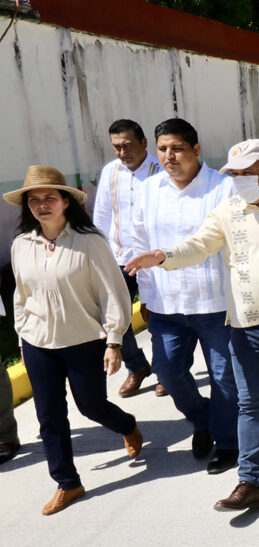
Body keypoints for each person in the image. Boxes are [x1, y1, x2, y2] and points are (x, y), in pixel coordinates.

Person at [128, 139, 259, 511]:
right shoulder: (228, 211)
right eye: (233, 175)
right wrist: (164, 256)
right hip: (247, 325)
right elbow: (199, 245)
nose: (238, 182)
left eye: (246, 174)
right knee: (250, 404)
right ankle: (250, 481)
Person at [4, 165, 142, 515]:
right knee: (49, 417)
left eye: (49, 197)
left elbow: (113, 294)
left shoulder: (90, 242)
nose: (41, 205)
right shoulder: (21, 244)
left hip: (84, 341)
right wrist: (23, 333)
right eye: (34, 200)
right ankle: (68, 482)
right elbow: (21, 295)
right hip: (38, 344)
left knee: (91, 407)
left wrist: (113, 341)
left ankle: (126, 426)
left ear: (66, 201)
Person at [131, 117, 239, 474]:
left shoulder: (224, 188)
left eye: (176, 148)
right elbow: (140, 245)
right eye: (162, 149)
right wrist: (146, 296)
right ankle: (203, 419)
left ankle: (226, 442)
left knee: (224, 377)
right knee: (168, 371)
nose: (169, 156)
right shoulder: (148, 190)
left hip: (216, 303)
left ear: (196, 149)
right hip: (167, 304)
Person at [92, 119, 161, 397]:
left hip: (156, 261)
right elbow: (102, 215)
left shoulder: (161, 171)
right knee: (114, 316)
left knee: (159, 317)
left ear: (144, 143)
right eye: (116, 147)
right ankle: (138, 366)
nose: (122, 152)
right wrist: (99, 253)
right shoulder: (111, 171)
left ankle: (168, 370)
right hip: (120, 259)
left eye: (127, 145)